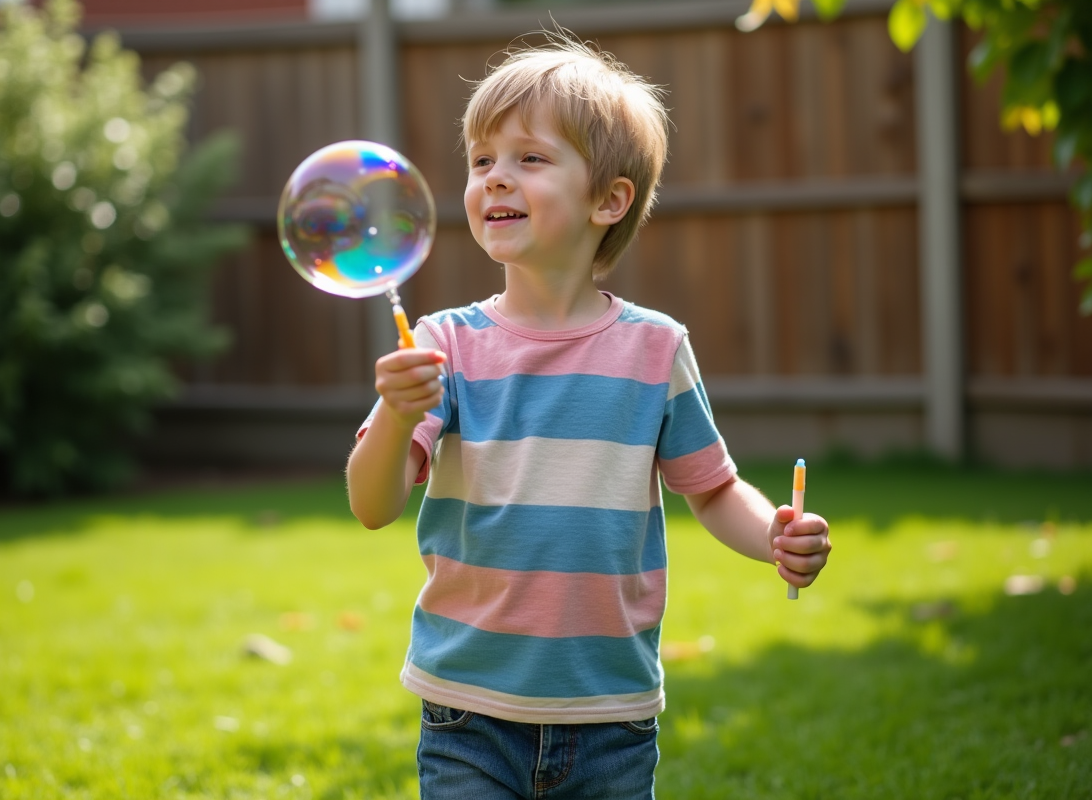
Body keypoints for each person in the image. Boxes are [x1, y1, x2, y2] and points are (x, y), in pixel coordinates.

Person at [345, 31, 832, 799]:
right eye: (481, 161)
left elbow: (709, 488)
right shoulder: (442, 346)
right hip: (468, 711)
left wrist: (772, 531)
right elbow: (373, 506)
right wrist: (397, 416)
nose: (495, 178)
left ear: (608, 200)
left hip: (612, 718)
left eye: (529, 159)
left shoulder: (656, 348)